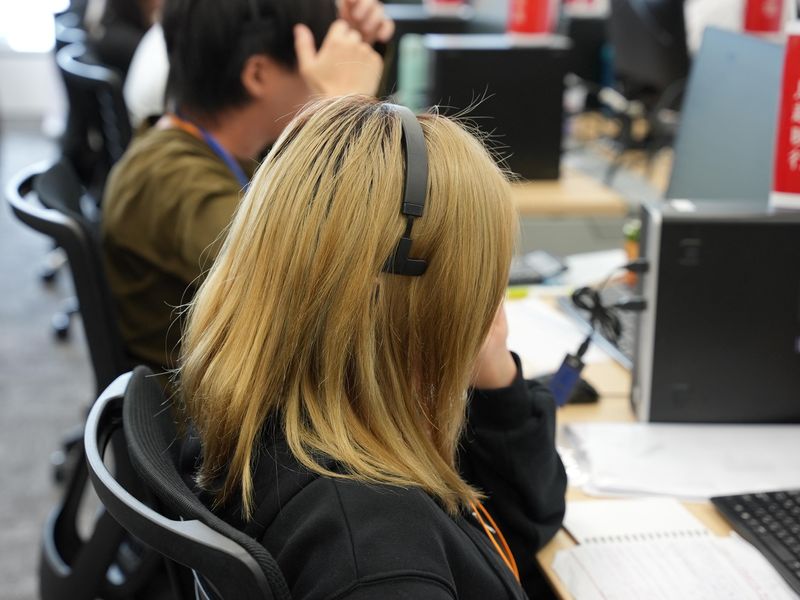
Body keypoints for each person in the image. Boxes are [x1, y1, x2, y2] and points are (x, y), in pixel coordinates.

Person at [179, 95, 568, 599]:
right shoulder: (378, 556)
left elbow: (517, 529)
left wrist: (492, 371)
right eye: (481, 279)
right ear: (407, 302)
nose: (489, 299)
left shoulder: (288, 421)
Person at [101, 0, 393, 372]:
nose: (329, 74)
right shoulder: (177, 185)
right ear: (257, 75)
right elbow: (332, 296)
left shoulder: (207, 151)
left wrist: (364, 48)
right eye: (323, 59)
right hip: (206, 402)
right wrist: (348, 111)